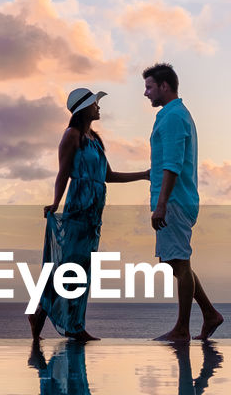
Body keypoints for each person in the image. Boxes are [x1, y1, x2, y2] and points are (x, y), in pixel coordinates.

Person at [29, 87, 149, 342]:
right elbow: (63, 173)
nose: (99, 107)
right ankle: (61, 322)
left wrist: (144, 174)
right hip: (78, 206)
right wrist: (55, 203)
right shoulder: (71, 136)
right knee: (71, 268)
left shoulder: (94, 139)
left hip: (95, 211)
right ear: (84, 108)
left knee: (82, 269)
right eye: (95, 103)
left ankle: (66, 321)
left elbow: (108, 176)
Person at [144, 63, 224, 342]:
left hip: (174, 200)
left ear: (164, 86)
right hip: (173, 197)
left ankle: (182, 328)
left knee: (179, 262)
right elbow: (165, 163)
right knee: (175, 262)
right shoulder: (171, 115)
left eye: (150, 87)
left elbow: (173, 164)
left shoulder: (174, 117)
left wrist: (162, 204)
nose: (146, 93)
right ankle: (210, 313)